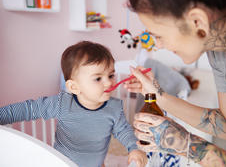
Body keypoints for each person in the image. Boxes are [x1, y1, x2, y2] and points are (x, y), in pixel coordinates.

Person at [0, 41, 147, 167]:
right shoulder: (62, 103)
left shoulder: (114, 107)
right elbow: (28, 109)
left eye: (110, 75)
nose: (109, 82)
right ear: (74, 87)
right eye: (98, 79)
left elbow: (124, 131)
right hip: (61, 163)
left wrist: (133, 148)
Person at [123, 0, 226, 166]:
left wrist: (185, 145)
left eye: (159, 36)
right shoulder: (218, 52)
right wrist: (160, 96)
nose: (158, 45)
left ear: (197, 21)